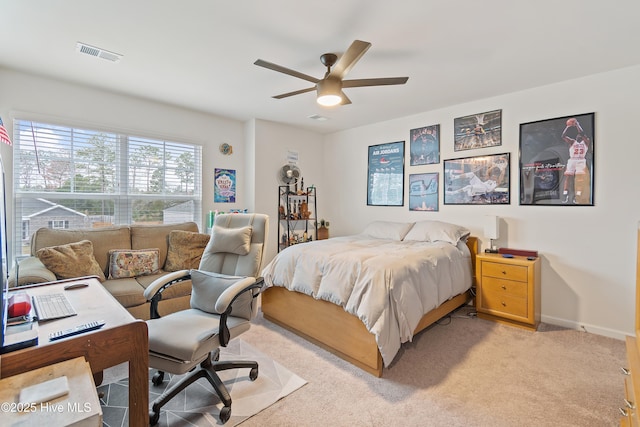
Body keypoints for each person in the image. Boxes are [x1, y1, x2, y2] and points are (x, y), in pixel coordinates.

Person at [561, 118, 590, 204]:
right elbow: (563, 136)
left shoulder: (586, 142)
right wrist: (567, 127)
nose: (578, 136)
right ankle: (565, 194)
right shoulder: (572, 142)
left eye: (580, 135)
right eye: (577, 135)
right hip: (572, 160)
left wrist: (577, 125)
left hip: (581, 160)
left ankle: (577, 196)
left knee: (579, 179)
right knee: (568, 177)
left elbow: (582, 133)